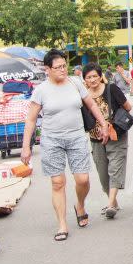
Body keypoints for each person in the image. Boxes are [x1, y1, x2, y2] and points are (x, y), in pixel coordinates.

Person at [20, 49, 110, 242]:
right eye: (58, 67)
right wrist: (26, 146)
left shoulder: (75, 83)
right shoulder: (41, 90)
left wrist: (103, 123)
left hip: (76, 137)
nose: (62, 70)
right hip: (52, 140)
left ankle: (80, 205)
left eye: (64, 66)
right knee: (58, 183)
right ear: (47, 69)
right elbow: (31, 120)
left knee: (83, 179)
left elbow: (92, 105)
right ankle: (62, 224)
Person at [82, 63, 131, 219]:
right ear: (84, 80)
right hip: (95, 139)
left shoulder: (111, 89)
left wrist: (113, 120)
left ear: (100, 76)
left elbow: (128, 107)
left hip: (115, 134)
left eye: (95, 76)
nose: (92, 79)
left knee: (115, 168)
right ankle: (113, 202)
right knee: (103, 175)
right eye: (89, 77)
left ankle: (110, 205)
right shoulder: (83, 96)